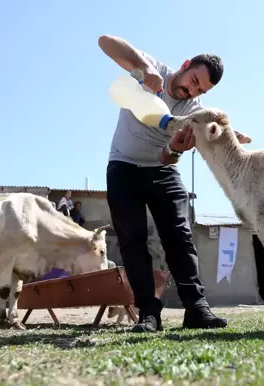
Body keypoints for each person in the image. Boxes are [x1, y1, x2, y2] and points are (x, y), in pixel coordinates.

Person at [98, 34, 250, 333]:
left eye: (199, 89)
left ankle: (197, 309)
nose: (191, 90)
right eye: (193, 80)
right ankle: (148, 314)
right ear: (184, 66)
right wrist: (144, 68)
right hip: (123, 167)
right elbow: (105, 42)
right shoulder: (154, 69)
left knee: (180, 237)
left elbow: (168, 157)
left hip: (161, 169)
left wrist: (176, 149)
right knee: (132, 240)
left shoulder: (193, 111)